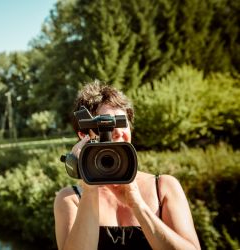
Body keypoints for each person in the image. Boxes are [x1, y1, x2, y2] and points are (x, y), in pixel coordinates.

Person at [54, 81, 201, 250]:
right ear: (83, 135)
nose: (116, 131)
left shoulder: (164, 187)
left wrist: (137, 204)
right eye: (105, 126)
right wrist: (90, 192)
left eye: (121, 122)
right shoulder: (70, 199)